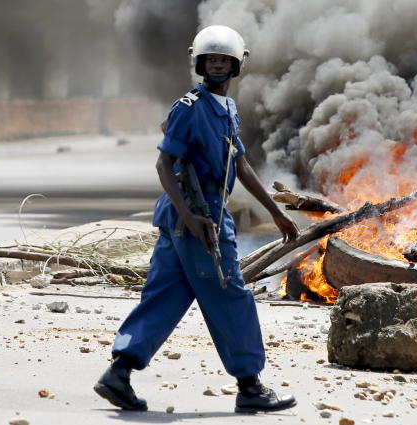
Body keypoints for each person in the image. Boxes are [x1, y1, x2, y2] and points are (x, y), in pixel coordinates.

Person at [94, 25, 299, 414]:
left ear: (237, 65)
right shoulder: (188, 108)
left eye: (224, 60)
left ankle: (119, 373)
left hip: (185, 221)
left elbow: (239, 164)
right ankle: (250, 384)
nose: (218, 66)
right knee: (230, 295)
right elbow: (164, 164)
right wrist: (190, 216)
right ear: (199, 63)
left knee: (165, 296)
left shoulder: (227, 109)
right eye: (211, 60)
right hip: (198, 217)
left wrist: (276, 211)